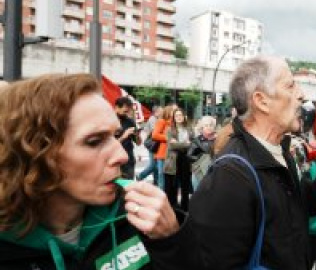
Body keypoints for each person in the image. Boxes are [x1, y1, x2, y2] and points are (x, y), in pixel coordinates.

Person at [0, 74, 194, 269]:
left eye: (116, 135)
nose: (122, 155)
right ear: (35, 152)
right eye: (94, 141)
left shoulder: (137, 218)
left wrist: (171, 241)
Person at [188, 56, 316, 269]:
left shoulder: (281, 152)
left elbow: (303, 205)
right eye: (290, 85)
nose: (302, 95)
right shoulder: (229, 177)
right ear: (261, 101)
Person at [164, 108, 193, 211]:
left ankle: (185, 208)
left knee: (185, 186)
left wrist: (178, 143)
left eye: (180, 115)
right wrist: (186, 144)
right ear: (174, 118)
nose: (179, 117)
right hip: (173, 161)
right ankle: (173, 209)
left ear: (184, 116)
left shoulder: (189, 129)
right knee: (172, 187)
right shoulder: (169, 130)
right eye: (176, 116)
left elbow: (192, 144)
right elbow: (172, 146)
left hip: (185, 160)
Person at [114, 96, 141, 179]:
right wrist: (124, 136)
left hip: (128, 160)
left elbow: (138, 143)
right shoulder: (109, 120)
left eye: (128, 111)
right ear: (117, 107)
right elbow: (107, 145)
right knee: (115, 188)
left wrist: (137, 135)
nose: (127, 114)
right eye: (125, 111)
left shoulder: (130, 121)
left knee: (128, 187)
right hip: (115, 160)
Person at [188, 115, 217, 190]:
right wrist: (201, 158)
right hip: (199, 172)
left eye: (211, 125)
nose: (209, 127)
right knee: (198, 195)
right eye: (206, 125)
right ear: (202, 128)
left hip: (214, 172)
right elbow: (189, 155)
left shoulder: (218, 139)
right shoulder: (197, 140)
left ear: (214, 127)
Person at [151, 105, 176, 190]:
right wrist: (167, 138)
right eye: (173, 110)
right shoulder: (162, 121)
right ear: (168, 111)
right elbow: (154, 135)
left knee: (169, 175)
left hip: (172, 153)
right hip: (162, 153)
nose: (175, 112)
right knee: (161, 174)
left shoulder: (175, 123)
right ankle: (161, 192)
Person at [137, 105, 163, 184]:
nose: (163, 113)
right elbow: (155, 131)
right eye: (161, 111)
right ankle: (140, 176)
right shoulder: (153, 119)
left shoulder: (157, 119)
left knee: (155, 165)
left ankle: (156, 181)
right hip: (153, 145)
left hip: (156, 144)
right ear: (156, 112)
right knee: (152, 165)